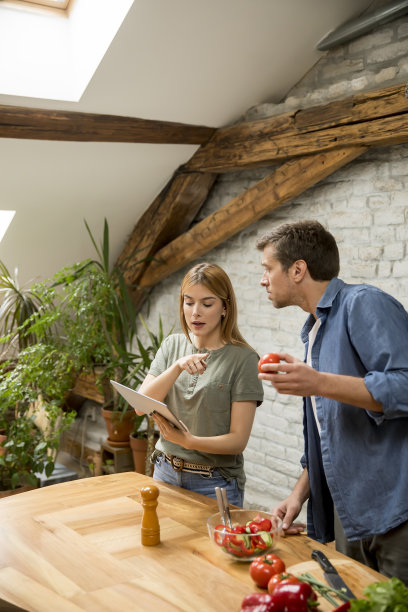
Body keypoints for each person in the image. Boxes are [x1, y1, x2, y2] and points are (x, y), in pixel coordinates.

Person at [256, 219, 408, 584]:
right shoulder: (315, 330)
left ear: (297, 270)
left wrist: (319, 382)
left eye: (267, 269)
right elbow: (332, 430)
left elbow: (404, 384)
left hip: (395, 508)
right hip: (349, 508)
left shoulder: (363, 303)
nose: (263, 280)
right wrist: (298, 495)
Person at [138, 262, 263, 506]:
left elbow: (238, 440)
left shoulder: (244, 359)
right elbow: (141, 405)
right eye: (189, 302)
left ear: (225, 307)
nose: (196, 312)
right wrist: (176, 367)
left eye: (207, 304)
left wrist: (190, 441)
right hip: (164, 471)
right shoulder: (172, 345)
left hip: (214, 482)